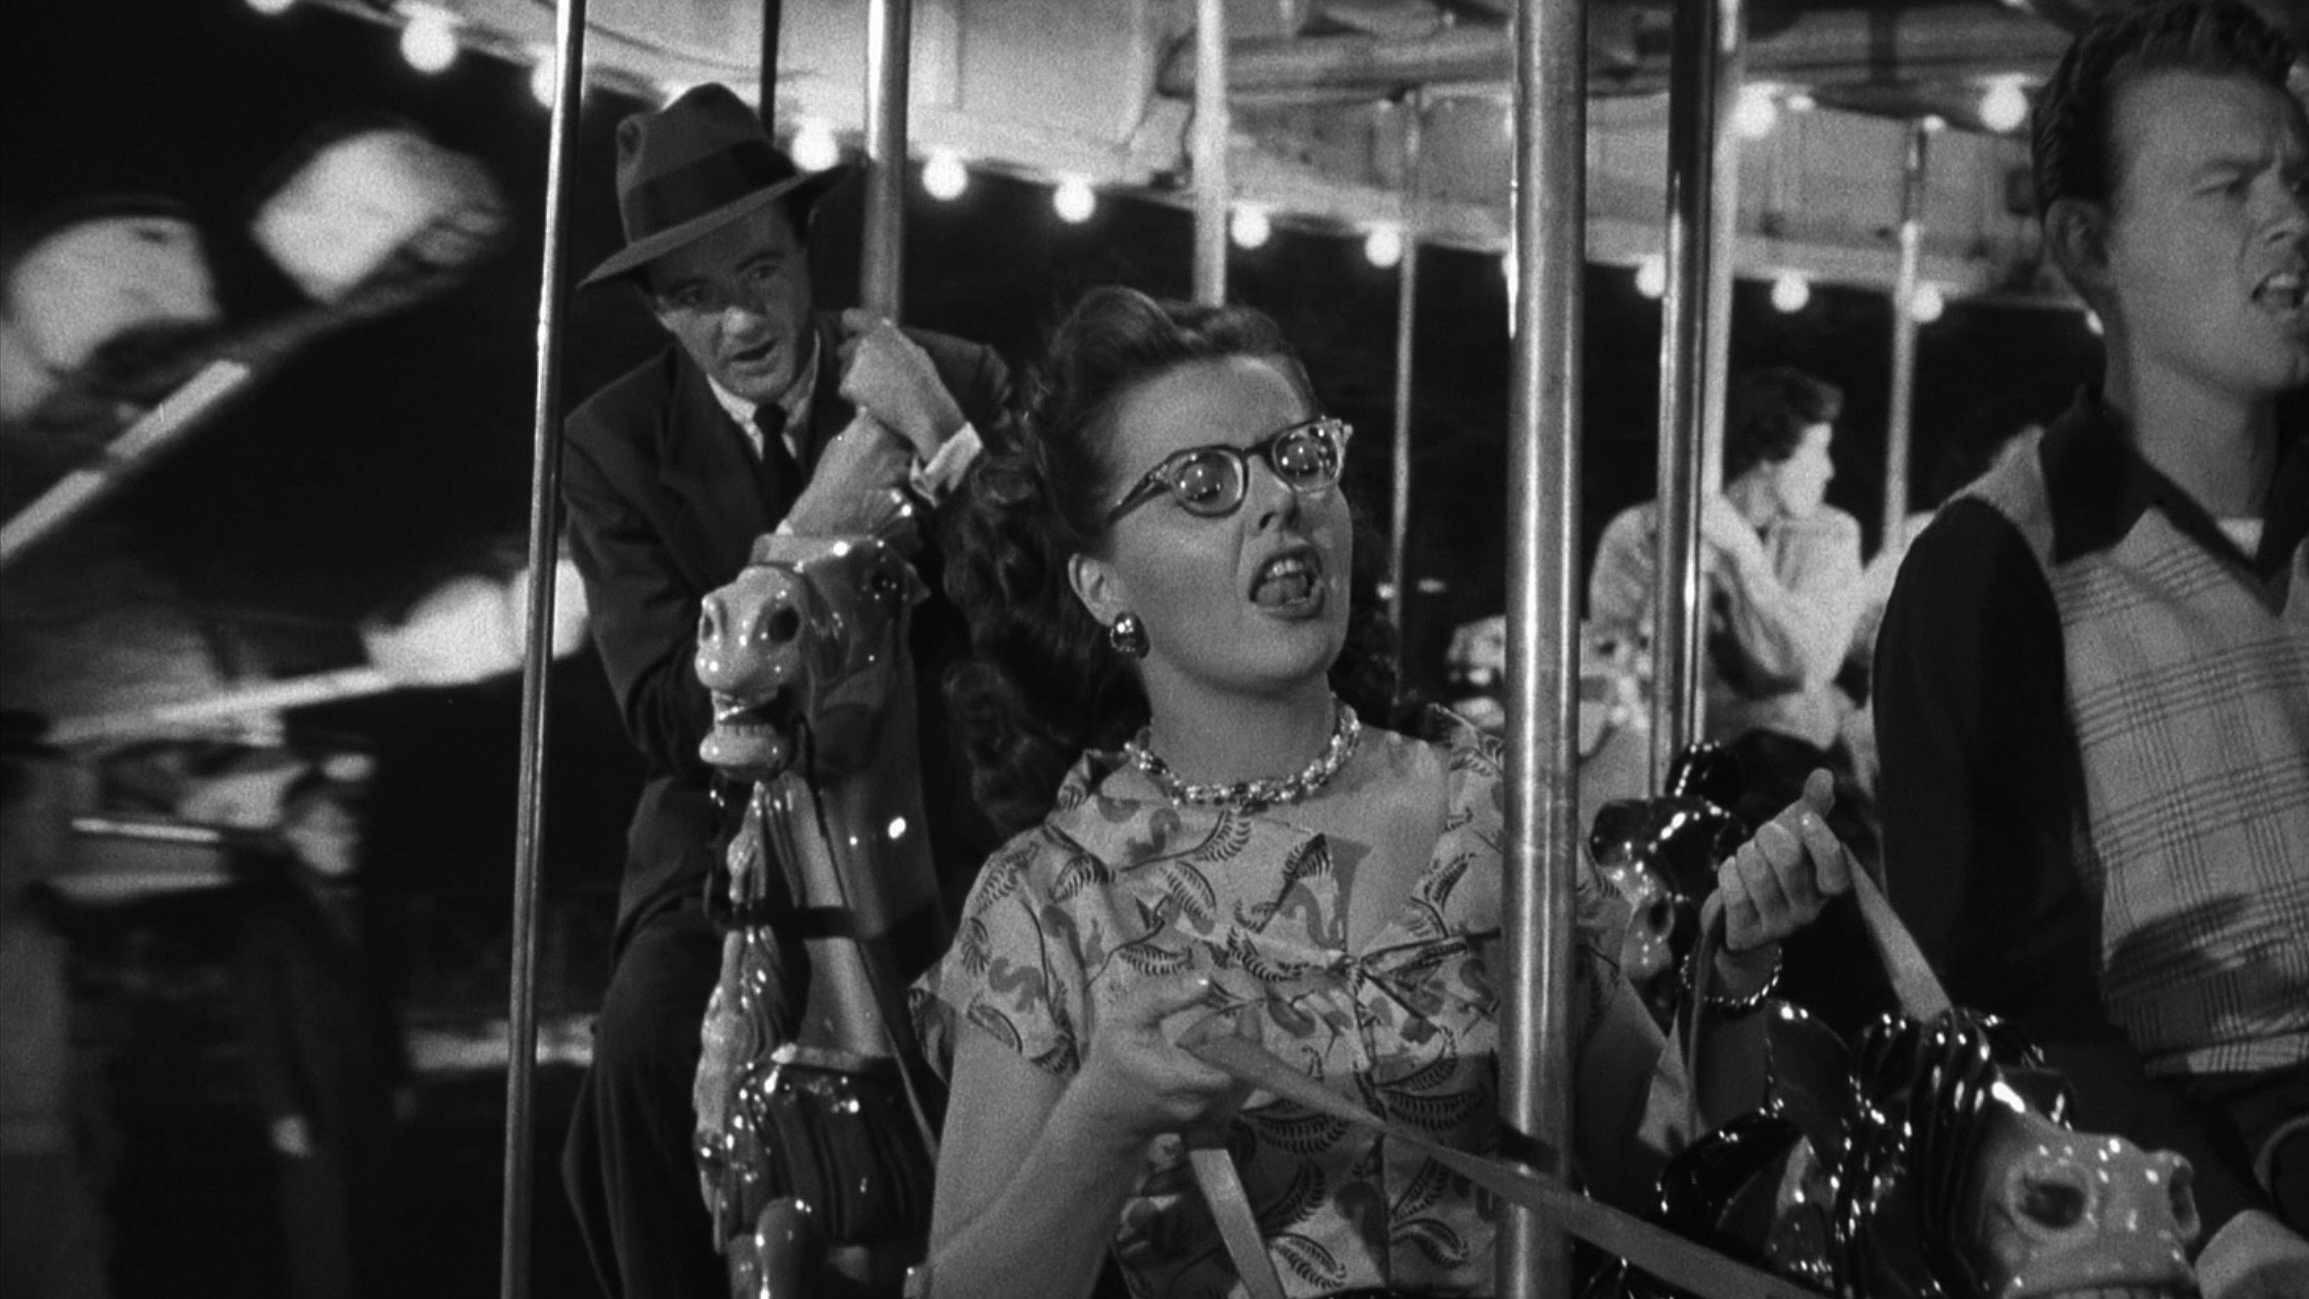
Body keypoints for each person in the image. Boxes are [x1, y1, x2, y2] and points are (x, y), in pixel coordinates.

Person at [921, 287, 1858, 1298]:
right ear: (1102, 586)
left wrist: (1736, 968)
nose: (1279, 500)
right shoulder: (1048, 905)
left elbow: (1657, 1172)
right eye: (1203, 483)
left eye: (1298, 457)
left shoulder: (1491, 811)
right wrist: (1098, 1129)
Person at [1872, 2, 2309, 1291]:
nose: (2288, 221)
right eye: (2228, 189)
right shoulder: (1995, 568)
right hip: (2197, 1164)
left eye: (2296, 181)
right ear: (2087, 246)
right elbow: (2002, 1001)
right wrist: (2223, 1229)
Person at [557, 84, 1013, 1299]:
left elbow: (1031, 615)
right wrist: (810, 530)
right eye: (695, 297)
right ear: (659, 310)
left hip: (927, 817)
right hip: (728, 844)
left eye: (759, 271)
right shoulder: (611, 444)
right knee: (640, 1049)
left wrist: (941, 435)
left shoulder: (946, 377)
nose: (740, 318)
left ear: (803, 252)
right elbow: (666, 708)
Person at [1587, 366, 1882, 1037]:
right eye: (1817, 451)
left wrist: (1742, 557)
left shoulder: (1829, 534)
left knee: (1838, 873)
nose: (1830, 470)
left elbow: (1806, 660)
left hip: (1791, 765)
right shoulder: (1640, 534)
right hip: (1672, 766)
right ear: (1769, 458)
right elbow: (1629, 666)